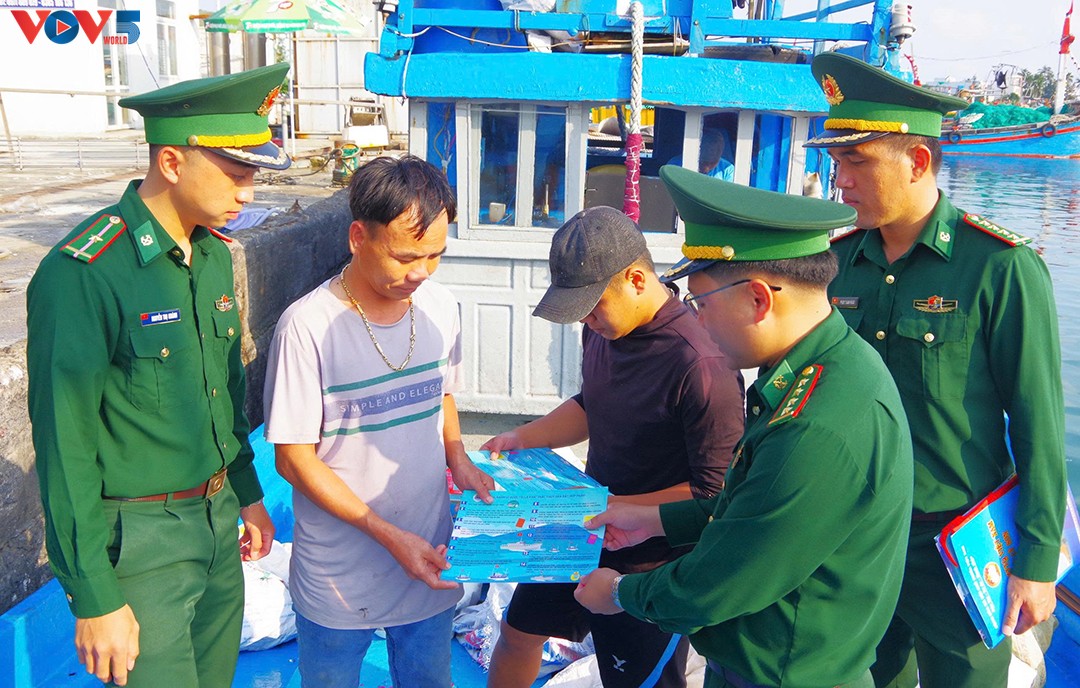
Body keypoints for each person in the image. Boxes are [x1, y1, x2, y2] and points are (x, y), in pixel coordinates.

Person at [574, 166, 915, 688]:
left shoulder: (816, 426)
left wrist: (619, 593)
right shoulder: (829, 367)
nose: (697, 321)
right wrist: (656, 520)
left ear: (758, 299)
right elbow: (753, 508)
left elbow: (723, 580)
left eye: (701, 304)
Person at [803, 52, 1068, 687]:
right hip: (856, 538)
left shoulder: (1000, 267)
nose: (840, 180)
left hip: (956, 547)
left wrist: (1035, 561)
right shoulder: (837, 263)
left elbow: (1038, 424)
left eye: (856, 161)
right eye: (837, 162)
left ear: (917, 161)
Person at [26, 64, 289, 687]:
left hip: (218, 523)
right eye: (235, 173)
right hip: (141, 543)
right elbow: (64, 445)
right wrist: (94, 596)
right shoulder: (86, 272)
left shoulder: (213, 255)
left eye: (252, 175)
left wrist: (248, 495)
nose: (248, 193)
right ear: (171, 162)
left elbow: (224, 395)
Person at [485, 205, 746, 688]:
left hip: (651, 558)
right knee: (518, 632)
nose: (586, 320)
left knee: (635, 680)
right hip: (583, 527)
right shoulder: (604, 329)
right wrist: (525, 436)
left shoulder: (702, 365)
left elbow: (716, 494)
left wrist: (622, 510)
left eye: (592, 305)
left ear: (636, 280)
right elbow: (593, 403)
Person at [262, 155, 495, 688]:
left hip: (429, 554)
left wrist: (458, 456)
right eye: (405, 256)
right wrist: (385, 534)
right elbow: (293, 460)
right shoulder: (307, 327)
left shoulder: (441, 307)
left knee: (428, 679)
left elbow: (443, 394)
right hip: (340, 571)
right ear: (357, 237)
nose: (421, 273)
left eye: (435, 256)